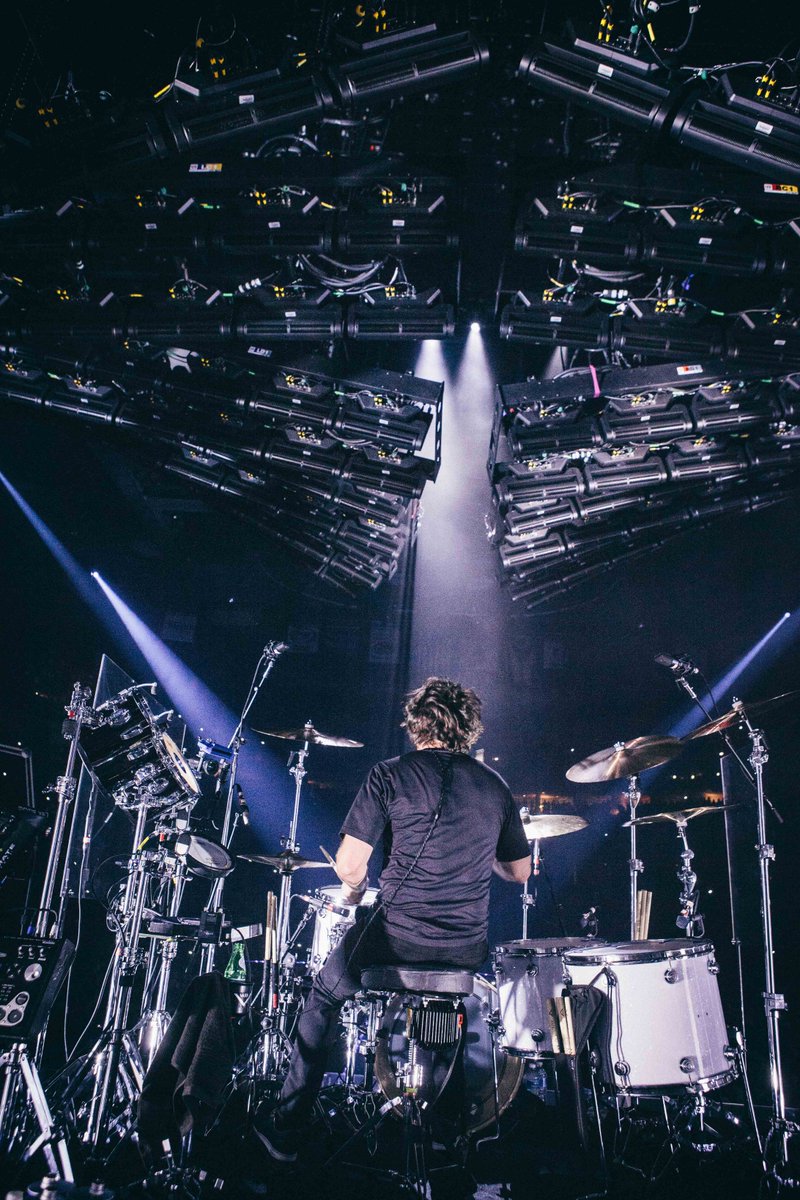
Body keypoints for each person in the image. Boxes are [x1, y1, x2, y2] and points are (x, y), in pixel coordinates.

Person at [255, 676, 532, 1162]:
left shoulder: (390, 774)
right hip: (465, 948)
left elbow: (349, 865)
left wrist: (355, 891)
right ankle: (445, 1136)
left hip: (396, 939)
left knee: (323, 997)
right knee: (442, 1000)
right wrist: (476, 843)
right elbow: (519, 872)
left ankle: (287, 1128)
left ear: (415, 724)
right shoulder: (495, 786)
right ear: (470, 728)